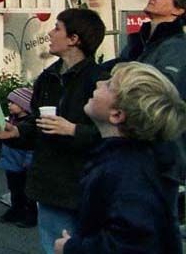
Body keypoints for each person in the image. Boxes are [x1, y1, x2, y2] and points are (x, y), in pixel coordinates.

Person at [0, 8, 108, 254]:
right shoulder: (47, 77)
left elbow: (113, 134)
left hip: (87, 184)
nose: (50, 34)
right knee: (54, 247)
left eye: (57, 28)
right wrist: (16, 132)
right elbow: (36, 122)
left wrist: (74, 130)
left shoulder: (99, 81)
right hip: (51, 183)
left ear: (73, 39)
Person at [55, 62, 186, 254]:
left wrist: (72, 248)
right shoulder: (129, 161)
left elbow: (130, 245)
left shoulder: (128, 173)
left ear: (116, 115)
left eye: (109, 85)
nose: (99, 82)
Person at [114, 0, 186, 181]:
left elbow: (162, 94)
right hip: (137, 148)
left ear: (178, 10)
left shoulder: (177, 48)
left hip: (163, 155)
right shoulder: (138, 45)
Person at [0, 87, 37, 227]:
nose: (9, 105)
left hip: (23, 161)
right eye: (9, 102)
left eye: (13, 102)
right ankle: (16, 209)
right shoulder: (11, 120)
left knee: (27, 190)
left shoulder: (30, 124)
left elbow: (32, 144)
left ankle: (31, 214)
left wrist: (28, 160)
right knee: (14, 187)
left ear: (24, 105)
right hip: (11, 160)